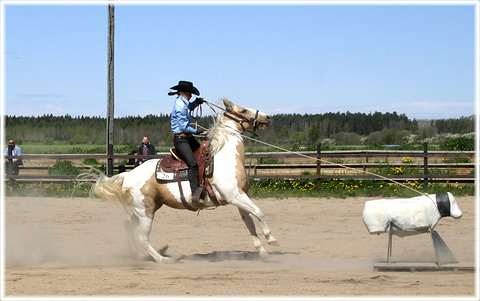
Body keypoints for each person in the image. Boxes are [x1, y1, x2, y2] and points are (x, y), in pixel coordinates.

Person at [169, 80, 205, 204]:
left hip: (187, 138)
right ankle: (195, 194)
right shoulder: (179, 106)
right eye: (190, 94)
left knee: (204, 155)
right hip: (181, 139)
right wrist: (196, 131)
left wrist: (196, 102)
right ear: (184, 93)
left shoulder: (184, 103)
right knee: (193, 163)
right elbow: (183, 126)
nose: (191, 96)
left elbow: (189, 107)